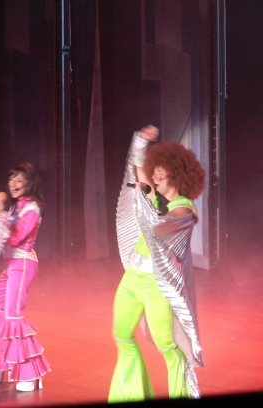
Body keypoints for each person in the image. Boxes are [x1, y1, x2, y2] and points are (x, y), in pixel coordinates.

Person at [108, 125, 206, 402]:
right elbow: (139, 172)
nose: (155, 175)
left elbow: (159, 223)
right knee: (121, 334)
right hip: (133, 277)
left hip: (156, 285)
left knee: (167, 346)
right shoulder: (157, 199)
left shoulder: (184, 208)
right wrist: (139, 142)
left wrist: (146, 198)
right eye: (155, 171)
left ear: (176, 174)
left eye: (161, 172)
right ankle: (131, 395)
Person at [0, 162, 51, 392]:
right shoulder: (16, 207)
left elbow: (16, 238)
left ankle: (31, 374)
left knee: (13, 317)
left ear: (29, 183)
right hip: (11, 266)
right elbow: (0, 236)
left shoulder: (33, 209)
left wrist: (0, 217)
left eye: (19, 180)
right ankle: (4, 366)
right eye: (11, 179)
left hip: (23, 265)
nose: (13, 184)